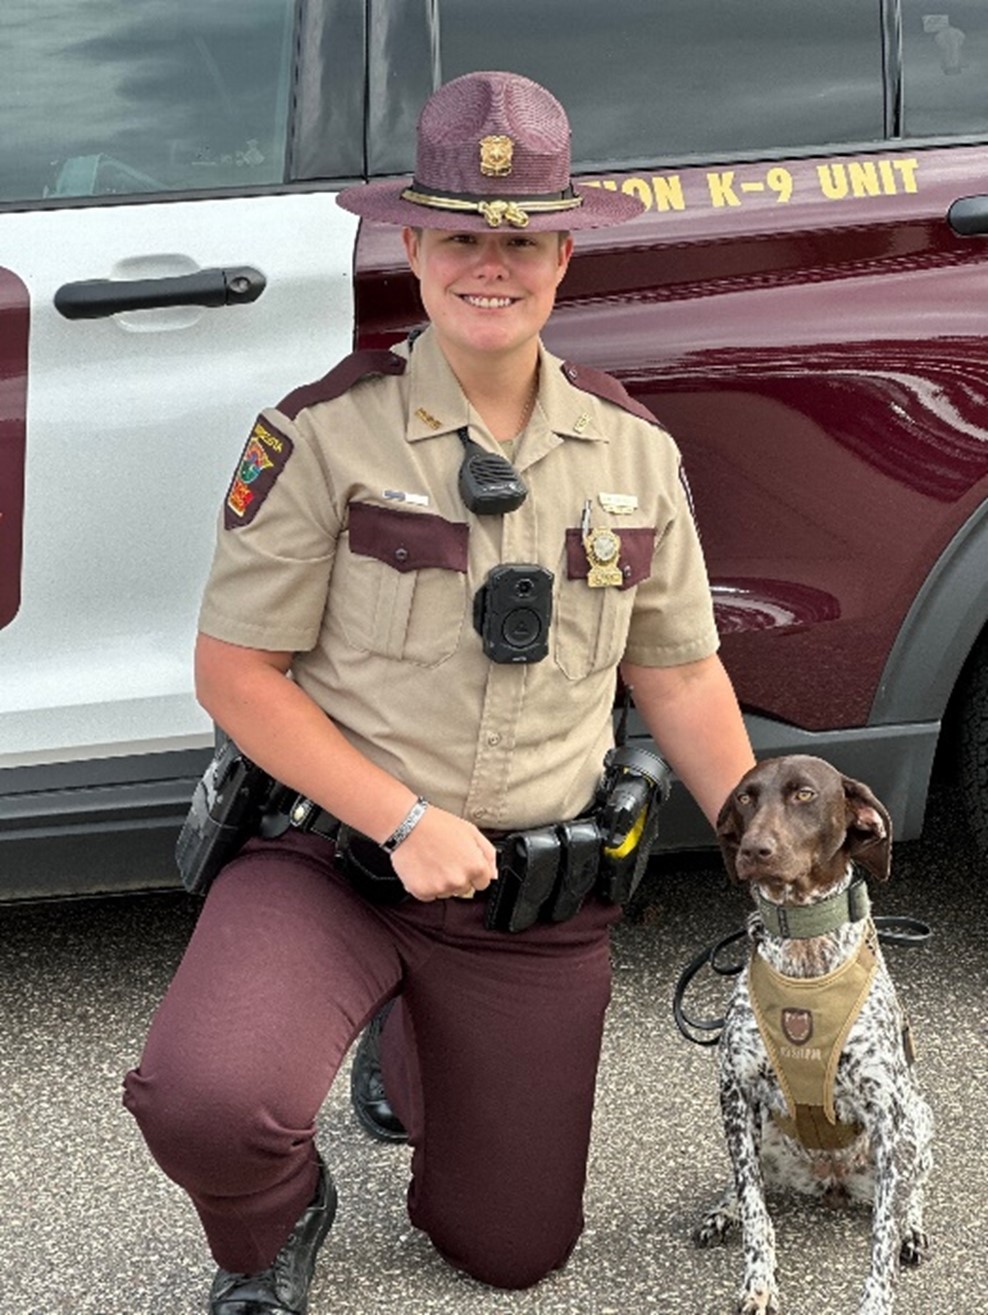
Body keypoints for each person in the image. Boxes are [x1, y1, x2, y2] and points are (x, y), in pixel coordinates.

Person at [123, 70, 755, 1314]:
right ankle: (273, 1222)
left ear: (564, 254)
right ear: (409, 242)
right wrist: (404, 824)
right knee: (207, 1097)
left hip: (531, 895)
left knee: (509, 1249)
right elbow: (234, 674)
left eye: (521, 240)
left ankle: (410, 1045)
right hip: (336, 858)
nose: (491, 265)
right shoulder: (320, 437)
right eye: (461, 234)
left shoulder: (633, 453)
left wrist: (785, 880)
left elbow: (679, 671)